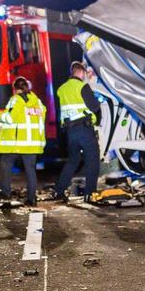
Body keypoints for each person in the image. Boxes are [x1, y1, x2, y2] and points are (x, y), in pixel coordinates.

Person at [54, 62, 101, 201]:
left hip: (70, 131)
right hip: (84, 129)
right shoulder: (82, 86)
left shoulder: (62, 89)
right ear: (81, 73)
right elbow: (94, 106)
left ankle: (59, 190)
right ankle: (90, 194)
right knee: (92, 161)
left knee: (73, 161)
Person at [0, 77, 46, 206]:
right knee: (30, 169)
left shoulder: (15, 100)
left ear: (15, 89)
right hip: (34, 143)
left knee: (6, 162)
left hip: (18, 143)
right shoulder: (38, 102)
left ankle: (5, 192)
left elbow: (10, 118)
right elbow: (41, 118)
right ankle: (31, 198)